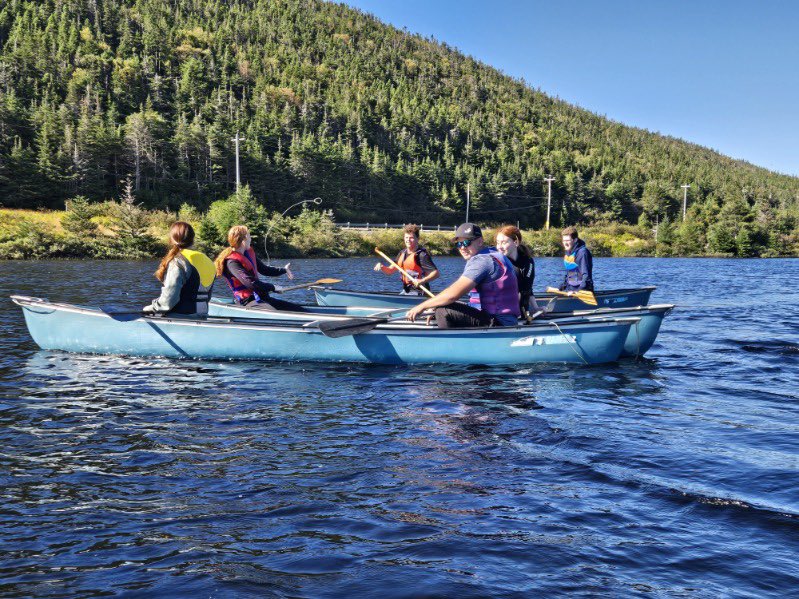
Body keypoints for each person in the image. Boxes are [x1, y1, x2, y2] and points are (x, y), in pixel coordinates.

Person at [406, 223, 520, 328]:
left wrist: (421, 306)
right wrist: (434, 305)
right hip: (501, 319)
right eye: (459, 244)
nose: (462, 247)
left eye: (466, 242)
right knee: (441, 306)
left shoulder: (483, 261)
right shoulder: (492, 254)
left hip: (500, 323)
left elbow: (452, 295)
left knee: (444, 310)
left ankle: (449, 346)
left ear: (480, 241)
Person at [214, 225, 307, 312]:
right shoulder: (232, 262)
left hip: (262, 298)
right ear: (243, 240)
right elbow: (251, 284)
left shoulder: (248, 254)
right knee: (274, 314)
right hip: (248, 301)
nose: (251, 239)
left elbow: (265, 269)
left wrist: (284, 270)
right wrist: (273, 287)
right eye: (249, 237)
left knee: (301, 311)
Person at [144, 221, 215, 315]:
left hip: (180, 316)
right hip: (202, 314)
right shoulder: (208, 260)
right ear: (193, 239)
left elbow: (168, 301)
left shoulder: (178, 261)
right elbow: (208, 296)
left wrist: (152, 307)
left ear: (171, 239)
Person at [373, 224, 440, 294]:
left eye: (411, 238)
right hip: (407, 290)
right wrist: (382, 266)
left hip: (420, 291)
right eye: (406, 237)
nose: (408, 240)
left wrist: (422, 280)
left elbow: (436, 274)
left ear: (417, 239)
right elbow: (390, 271)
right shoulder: (402, 253)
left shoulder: (421, 255)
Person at [495, 225, 541, 318]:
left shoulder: (528, 262)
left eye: (503, 242)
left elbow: (527, 289)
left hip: (521, 314)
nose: (499, 247)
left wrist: (536, 308)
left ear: (515, 242)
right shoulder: (495, 263)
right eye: (497, 243)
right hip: (502, 314)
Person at [559, 226, 594, 293]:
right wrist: (562, 287)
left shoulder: (582, 253)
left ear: (575, 240)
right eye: (564, 241)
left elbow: (586, 276)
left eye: (568, 240)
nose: (565, 243)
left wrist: (578, 291)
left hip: (583, 291)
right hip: (570, 289)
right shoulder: (568, 252)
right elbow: (570, 273)